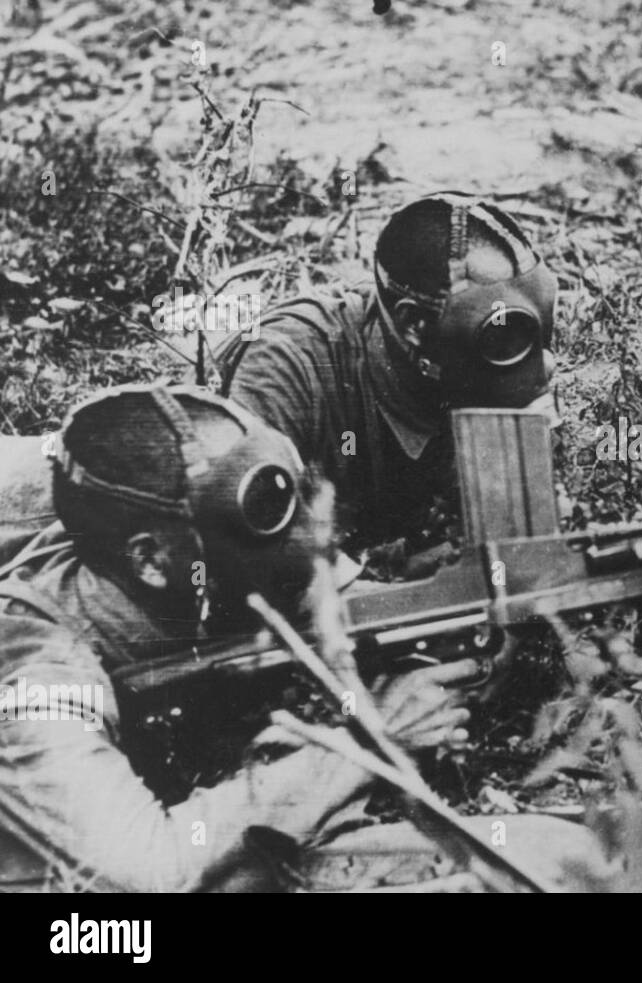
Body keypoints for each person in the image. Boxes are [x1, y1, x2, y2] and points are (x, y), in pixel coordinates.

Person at [0, 383, 582, 892]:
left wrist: (461, 629)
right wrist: (368, 746)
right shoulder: (37, 675)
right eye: (264, 512)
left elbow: (345, 607)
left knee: (563, 855)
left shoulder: (200, 558)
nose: (304, 532)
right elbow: (144, 873)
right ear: (150, 560)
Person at [212, 191, 561, 575]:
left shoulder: (465, 378)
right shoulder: (288, 367)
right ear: (414, 325)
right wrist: (394, 587)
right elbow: (239, 557)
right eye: (501, 337)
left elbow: (516, 568)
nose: (543, 366)